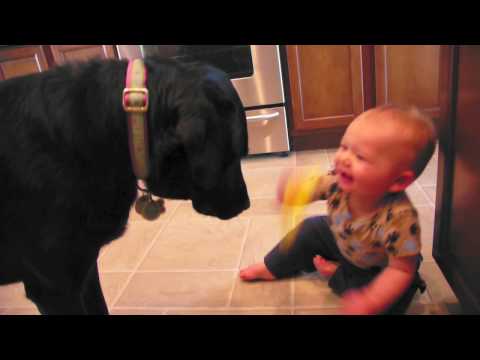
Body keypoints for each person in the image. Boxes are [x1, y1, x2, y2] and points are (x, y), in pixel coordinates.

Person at [239, 104, 437, 315]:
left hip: (379, 267)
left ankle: (338, 275)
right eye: (344, 147)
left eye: (360, 157)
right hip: (345, 240)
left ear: (398, 181)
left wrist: (371, 300)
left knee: (392, 297)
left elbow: (400, 269)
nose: (343, 158)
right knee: (311, 228)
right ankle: (273, 266)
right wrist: (290, 192)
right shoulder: (339, 182)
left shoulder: (401, 219)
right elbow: (309, 189)